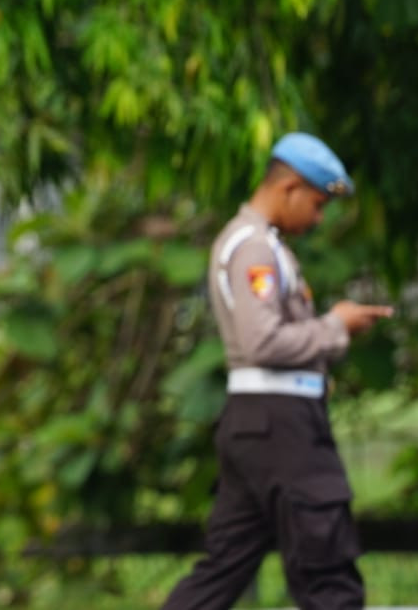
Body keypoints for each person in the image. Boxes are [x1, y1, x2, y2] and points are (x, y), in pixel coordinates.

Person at [162, 132, 394, 610]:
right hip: (283, 427)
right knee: (328, 574)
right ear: (289, 187)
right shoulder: (254, 249)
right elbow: (261, 340)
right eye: (316, 202)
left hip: (259, 424)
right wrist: (335, 326)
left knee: (220, 574)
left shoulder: (262, 245)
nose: (318, 217)